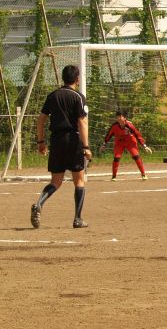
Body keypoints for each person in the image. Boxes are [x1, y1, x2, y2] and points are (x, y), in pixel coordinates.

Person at [31, 65, 92, 229]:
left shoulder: (53, 96)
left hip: (56, 140)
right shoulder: (78, 97)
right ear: (77, 79)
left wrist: (41, 142)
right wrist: (86, 147)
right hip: (73, 140)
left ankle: (39, 203)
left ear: (63, 77)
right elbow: (82, 122)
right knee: (79, 181)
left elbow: (41, 119)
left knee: (56, 182)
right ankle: (78, 219)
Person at [99, 110, 152, 181]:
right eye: (117, 117)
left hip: (130, 142)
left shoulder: (130, 126)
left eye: (120, 116)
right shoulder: (114, 126)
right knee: (116, 158)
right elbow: (109, 135)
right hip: (119, 143)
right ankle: (114, 177)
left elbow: (138, 135)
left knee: (136, 156)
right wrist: (104, 145)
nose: (118, 118)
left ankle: (143, 174)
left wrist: (144, 146)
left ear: (125, 118)